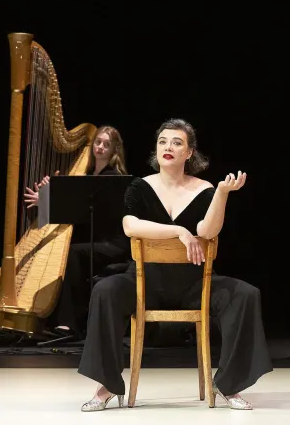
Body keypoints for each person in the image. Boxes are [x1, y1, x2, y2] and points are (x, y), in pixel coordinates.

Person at [77, 118, 273, 411]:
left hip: (193, 283)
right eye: (163, 142)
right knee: (106, 290)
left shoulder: (205, 189)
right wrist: (179, 231)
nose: (168, 147)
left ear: (189, 152)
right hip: (144, 282)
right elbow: (130, 226)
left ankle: (229, 384)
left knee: (245, 294)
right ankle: (107, 385)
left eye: (177, 142)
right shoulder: (140, 187)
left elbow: (208, 231)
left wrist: (221, 194)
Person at [24, 125, 130, 337]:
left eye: (106, 144)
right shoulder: (87, 174)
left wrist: (51, 199)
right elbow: (71, 214)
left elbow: (83, 213)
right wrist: (47, 197)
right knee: (67, 252)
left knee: (72, 253)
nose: (100, 147)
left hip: (113, 244)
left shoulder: (112, 178)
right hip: (94, 240)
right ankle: (51, 318)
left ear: (114, 150)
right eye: (98, 142)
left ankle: (69, 323)